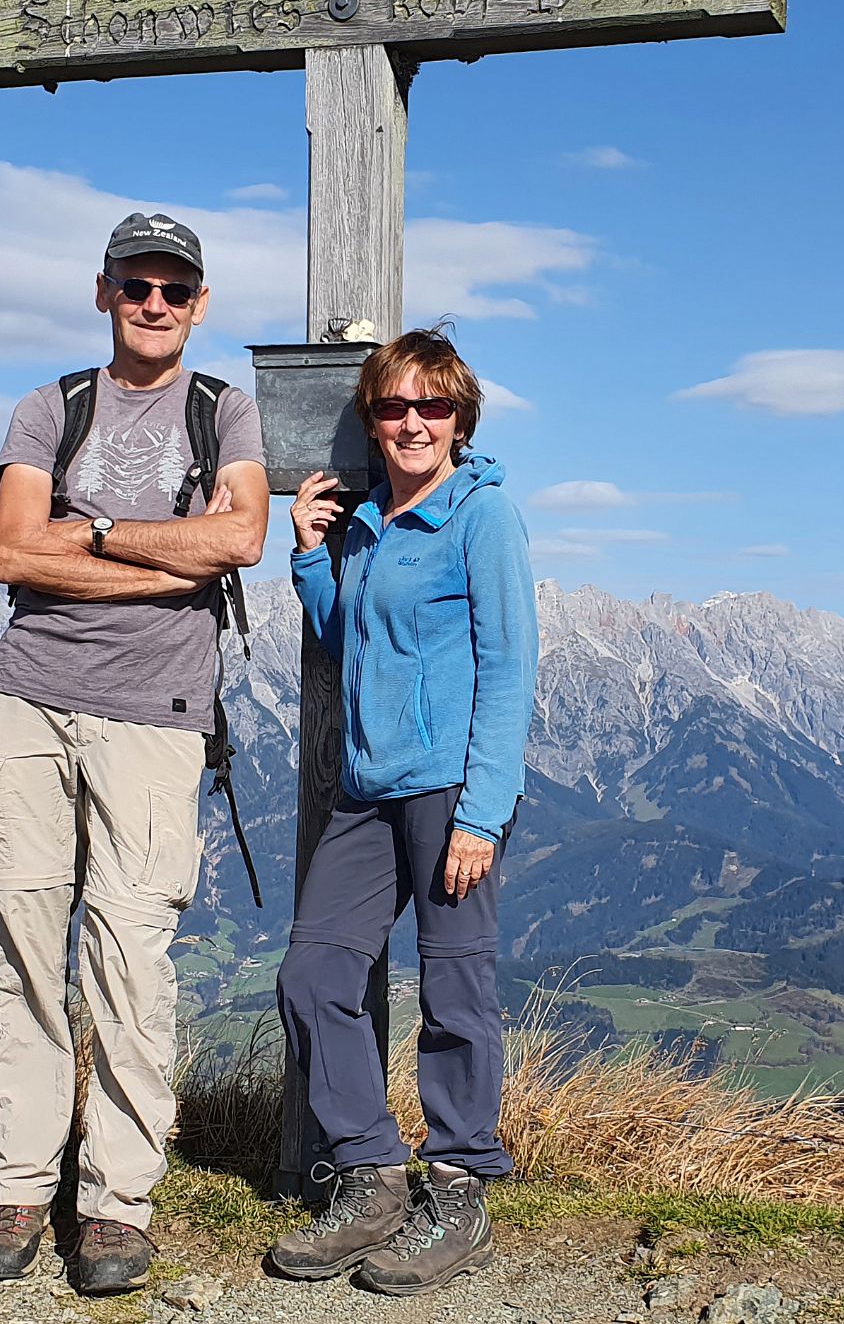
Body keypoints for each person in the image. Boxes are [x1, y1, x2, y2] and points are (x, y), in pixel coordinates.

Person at [0, 212, 269, 1294]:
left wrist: (82, 539)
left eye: (173, 290)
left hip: (157, 712)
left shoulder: (223, 410)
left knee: (131, 955)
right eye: (136, 286)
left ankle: (115, 1204)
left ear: (198, 305)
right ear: (103, 292)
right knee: (23, 942)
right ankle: (16, 1181)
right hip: (30, 698)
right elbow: (11, 549)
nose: (154, 304)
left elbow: (237, 541)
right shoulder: (52, 405)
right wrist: (156, 559)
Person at [267, 326, 538, 1296]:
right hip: (367, 791)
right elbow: (350, 638)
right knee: (311, 976)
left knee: (457, 994)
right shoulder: (373, 520)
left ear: (461, 417)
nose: (412, 421)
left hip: (448, 794)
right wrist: (307, 555)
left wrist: (482, 813)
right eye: (393, 406)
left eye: (432, 405)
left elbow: (510, 670)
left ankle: (459, 1191)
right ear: (372, 420)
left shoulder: (482, 518)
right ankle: (373, 1177)